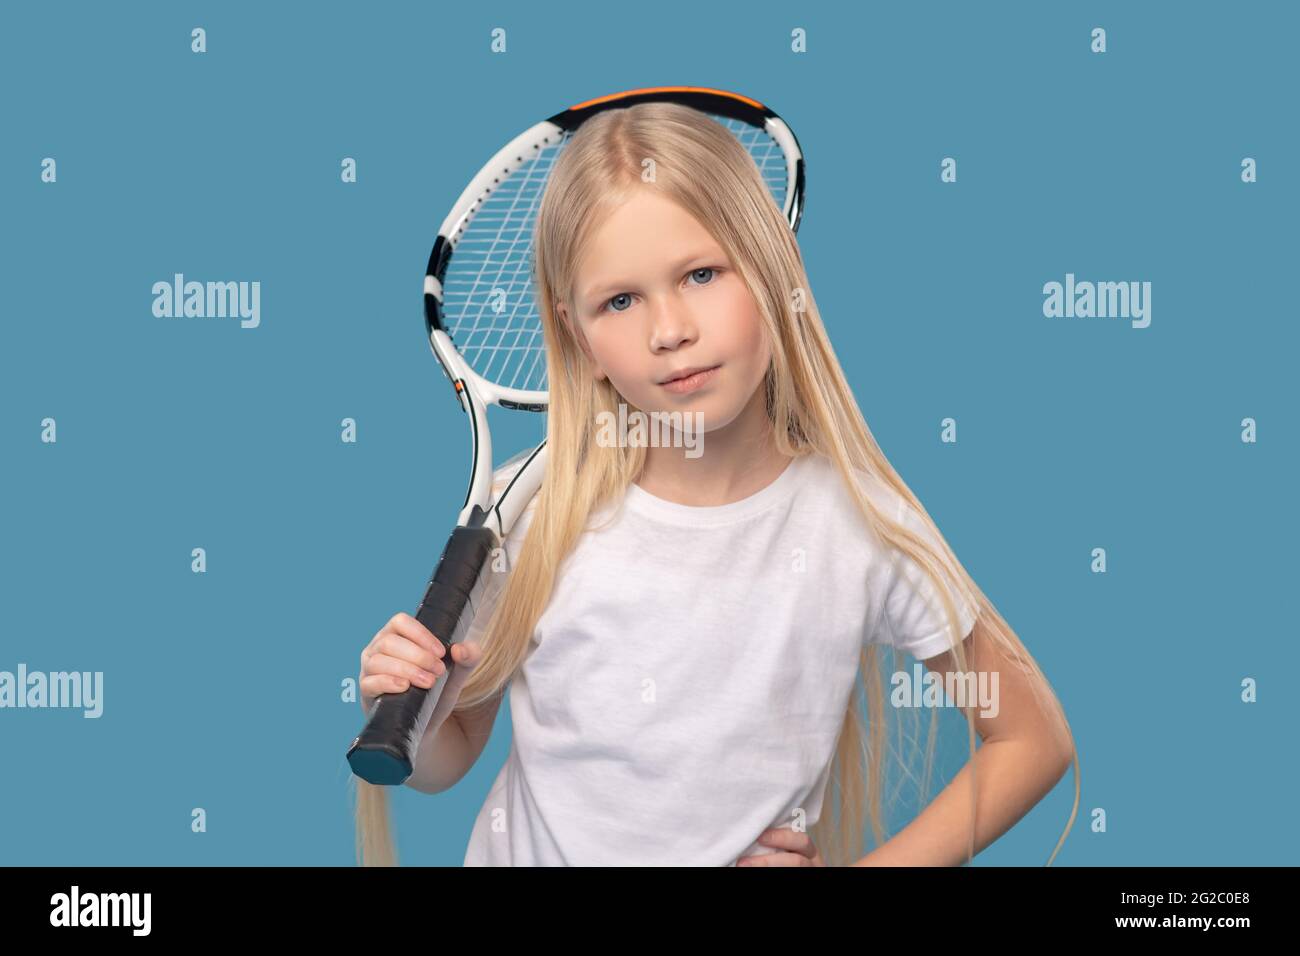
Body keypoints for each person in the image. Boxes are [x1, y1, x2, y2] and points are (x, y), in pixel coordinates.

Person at [353, 101, 1079, 867]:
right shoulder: (535, 513)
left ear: (774, 276)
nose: (669, 329)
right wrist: (407, 708)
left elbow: (1034, 738)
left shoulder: (856, 526)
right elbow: (451, 754)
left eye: (701, 274)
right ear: (580, 337)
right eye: (620, 301)